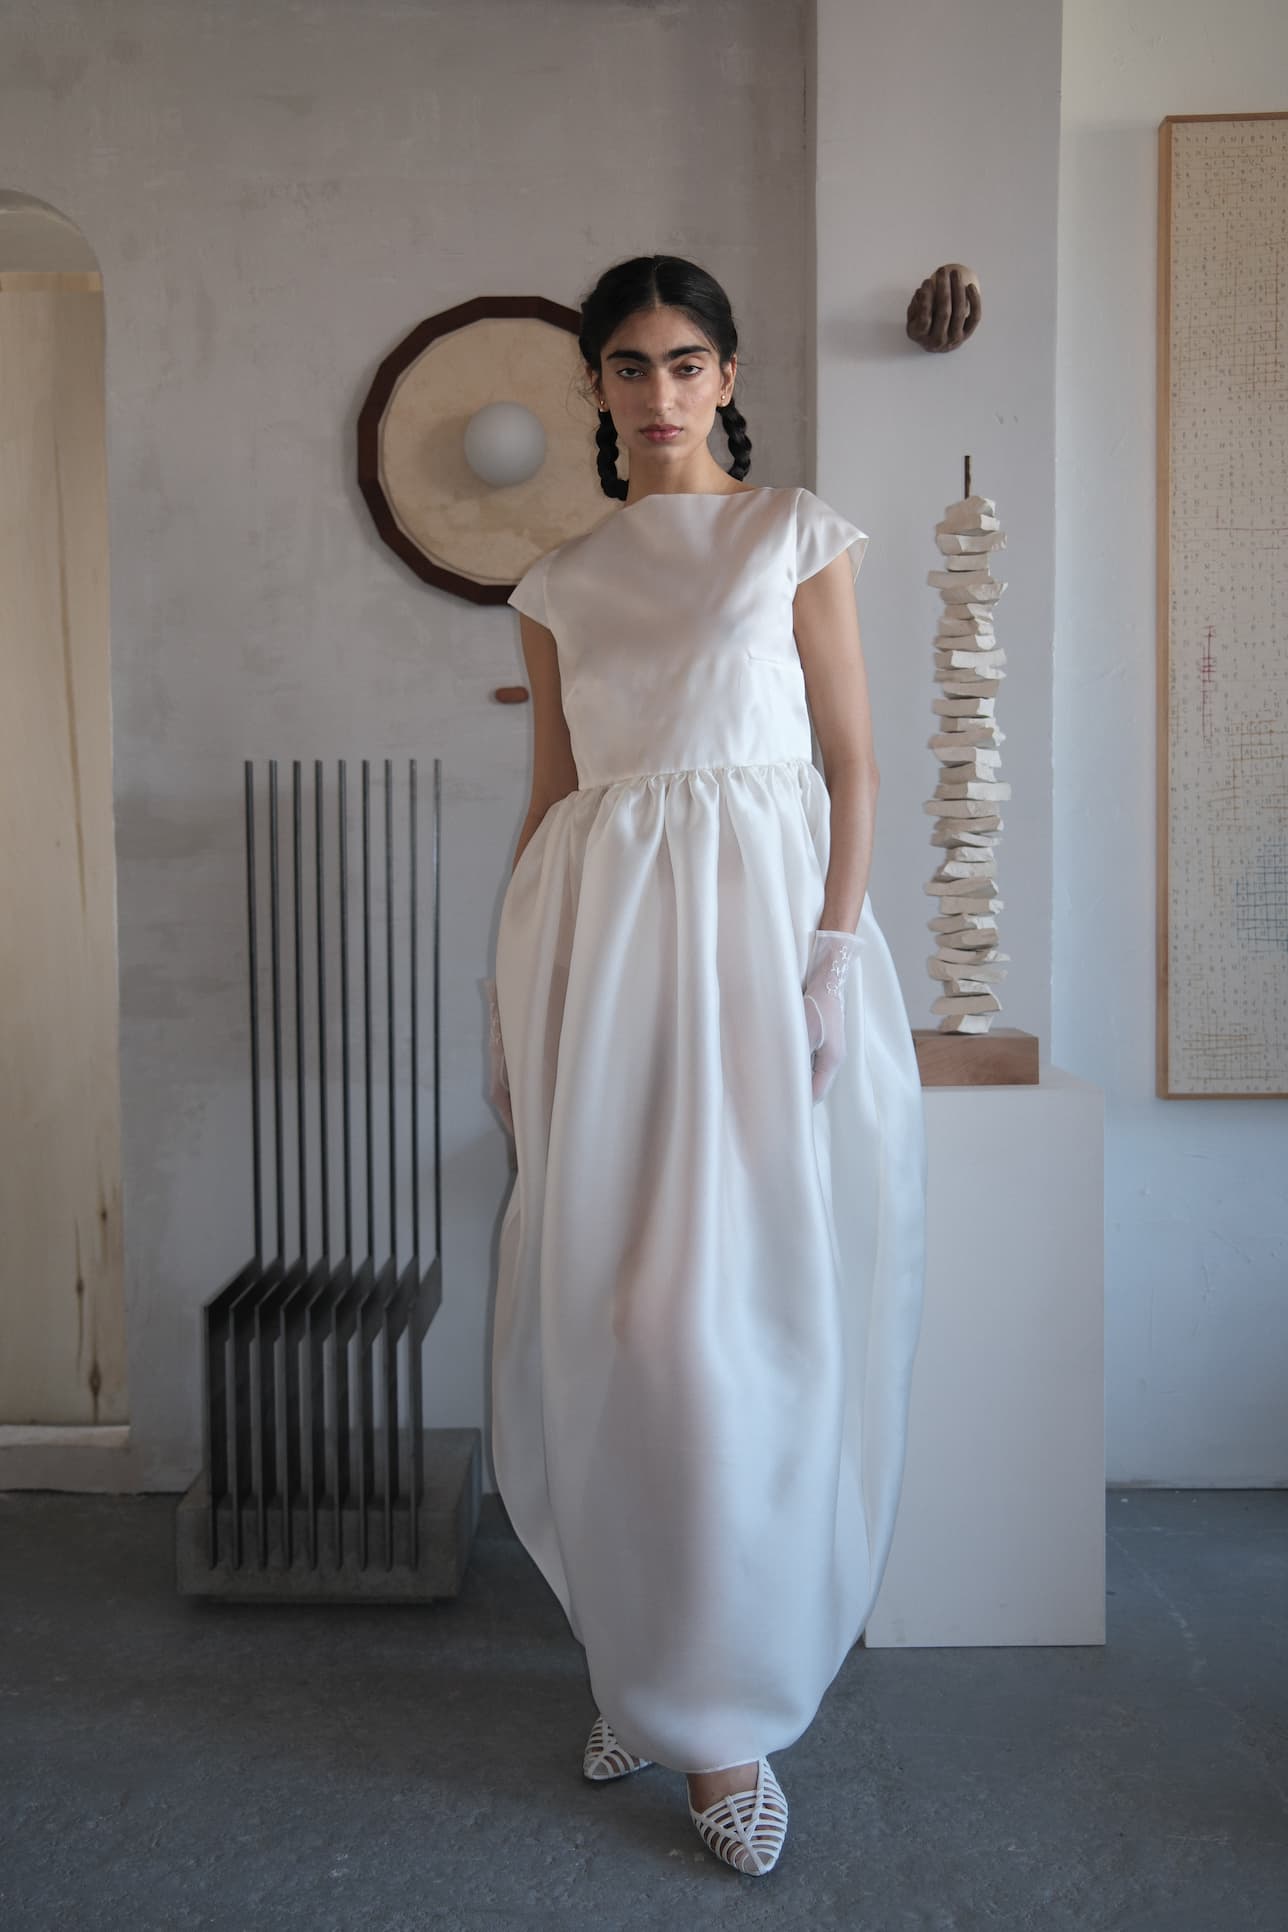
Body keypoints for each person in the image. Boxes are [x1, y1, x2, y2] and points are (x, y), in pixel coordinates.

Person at [483, 255, 926, 1878]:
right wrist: (502, 1003)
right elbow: (551, 807)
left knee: (733, 1318)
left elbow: (856, 763)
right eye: (626, 367)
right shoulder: (557, 581)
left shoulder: (792, 534)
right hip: (599, 966)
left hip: (760, 957)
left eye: (685, 363)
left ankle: (717, 1719)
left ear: (726, 377)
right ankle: (635, 1657)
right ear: (595, 389)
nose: (657, 391)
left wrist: (829, 954)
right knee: (614, 1311)